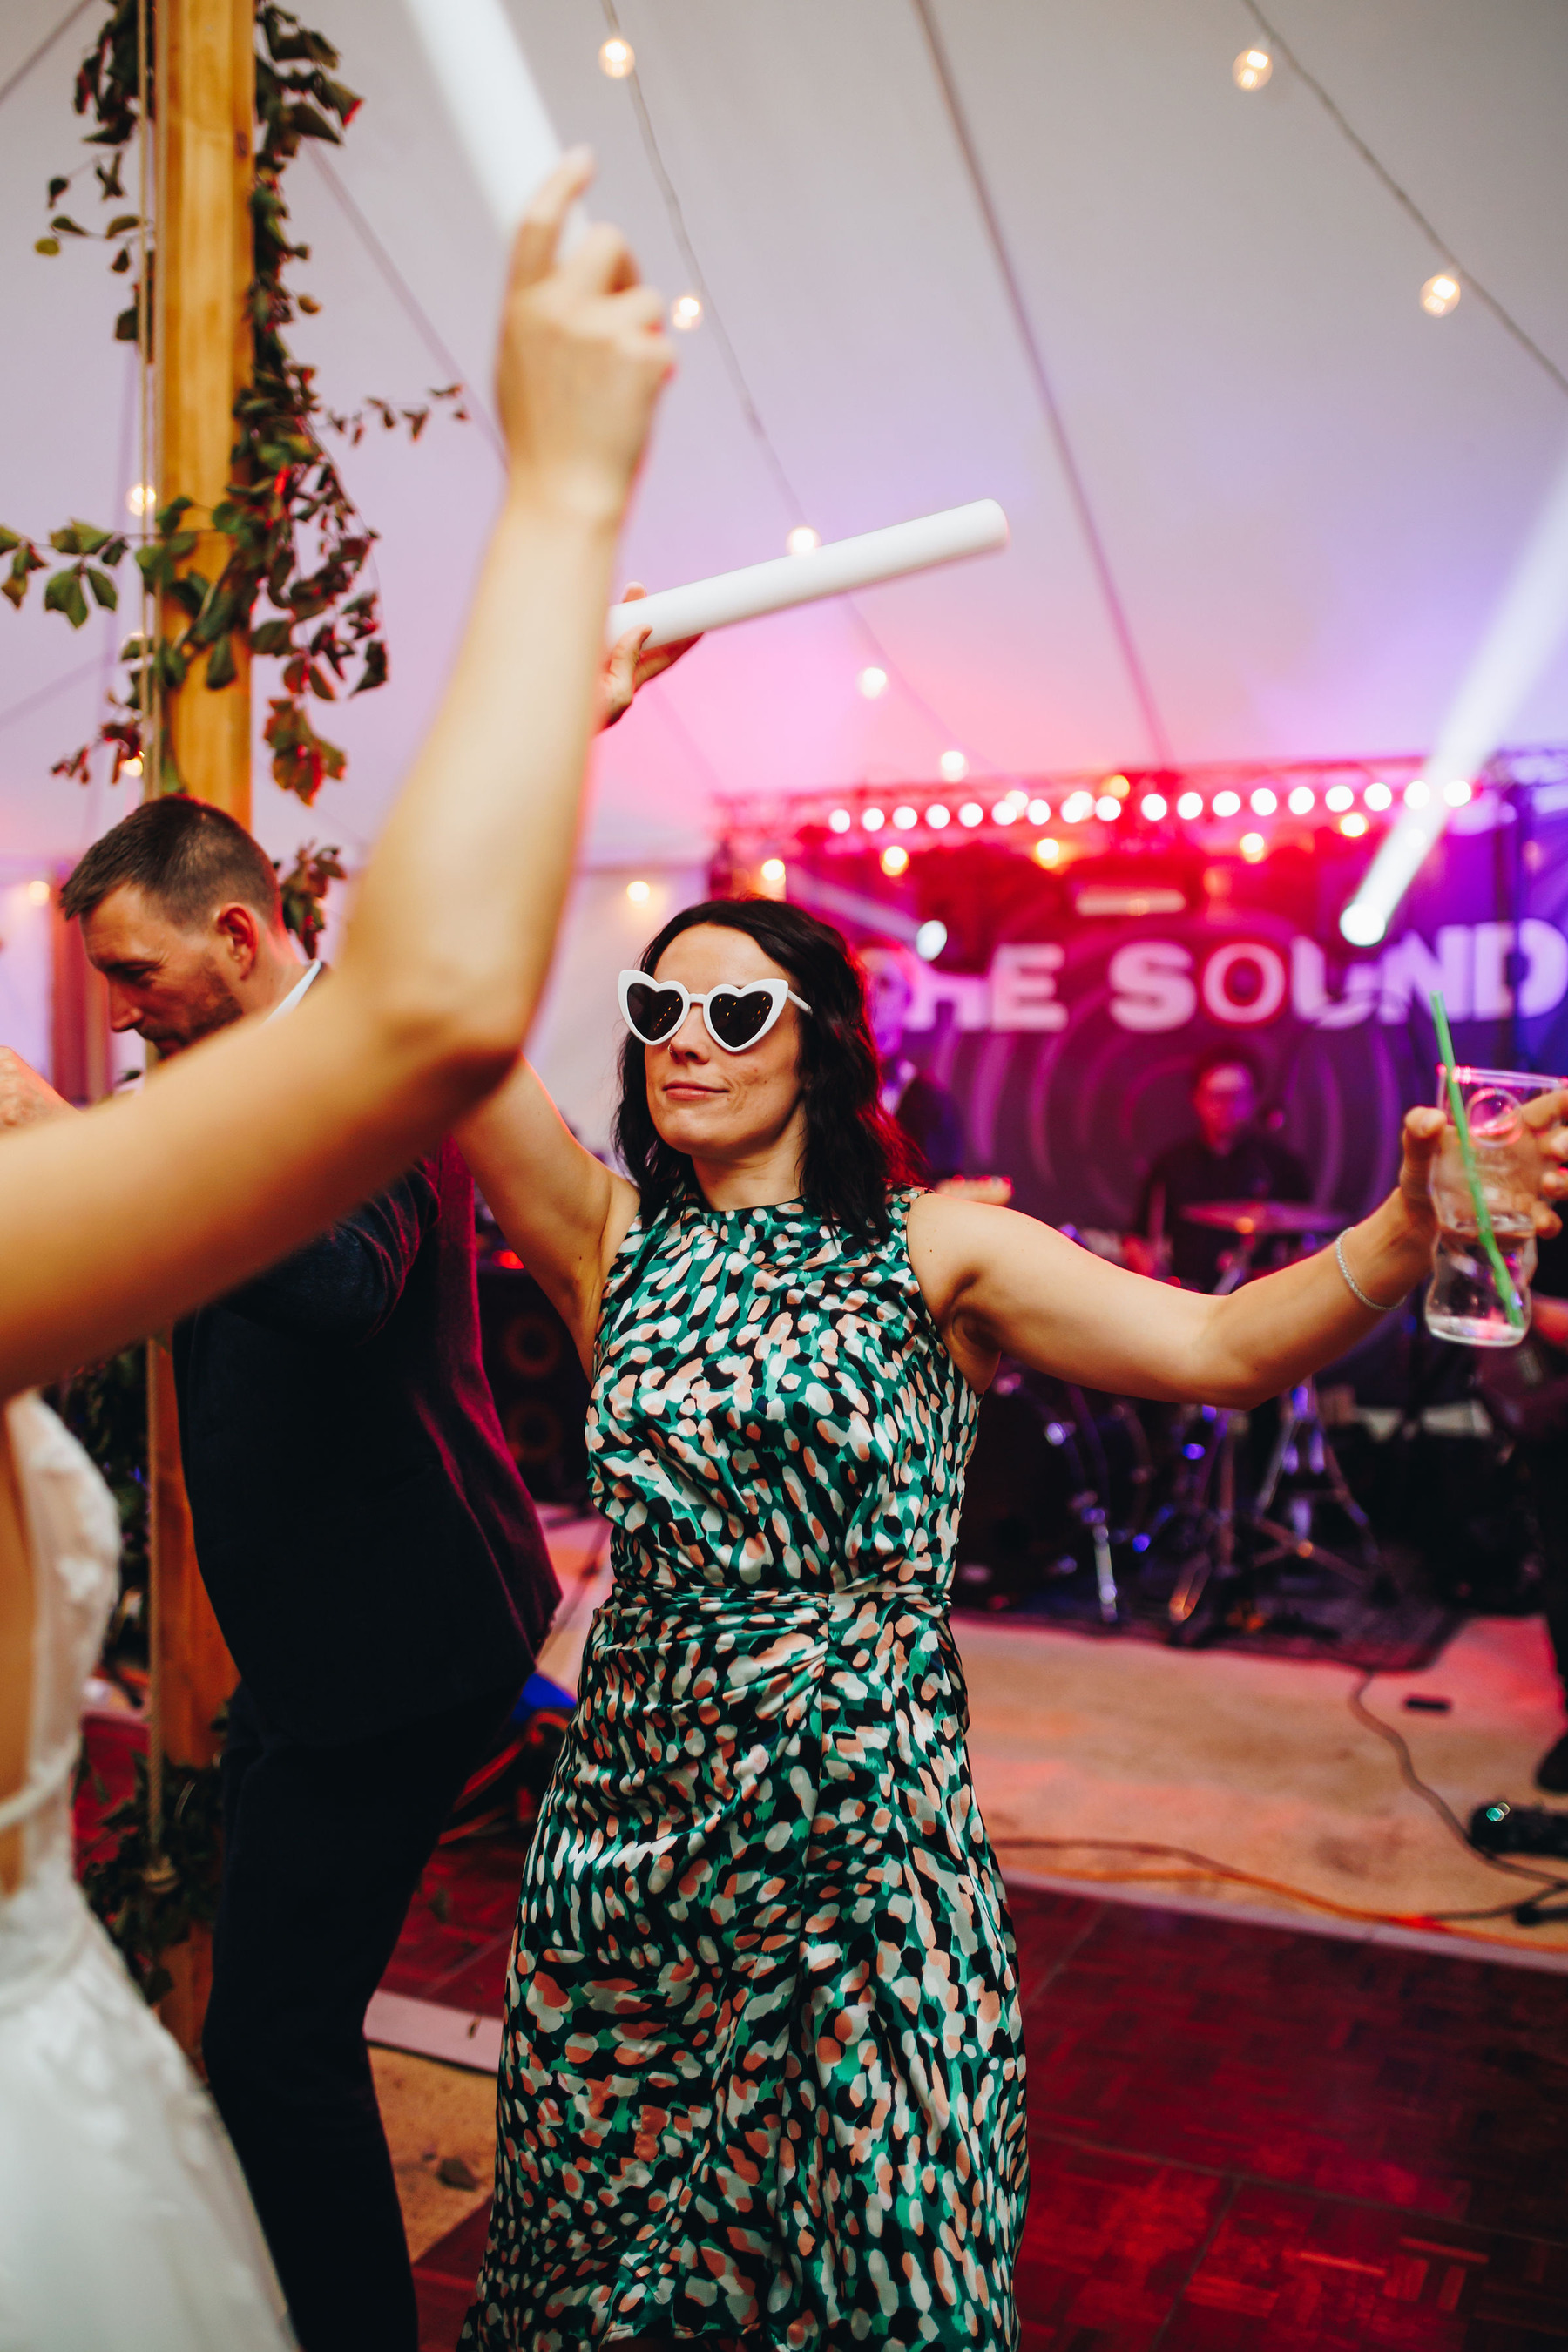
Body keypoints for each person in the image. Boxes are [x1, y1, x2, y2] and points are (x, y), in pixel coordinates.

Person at [454, 894, 1568, 2350]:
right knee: (603, 2250)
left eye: (734, 1013)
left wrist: (1408, 1226)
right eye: (657, 1009)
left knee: (883, 2250)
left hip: (858, 1836)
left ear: (819, 1044)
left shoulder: (936, 1248)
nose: (687, 1041)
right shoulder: (611, 1238)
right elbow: (441, 1027)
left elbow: (1218, 1346)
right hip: (634, 1833)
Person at [0, 152, 672, 2352]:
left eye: (138, 973)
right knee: (271, 2024)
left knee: (279, 2039)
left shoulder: (336, 1079)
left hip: (407, 1630)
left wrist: (120, 1152)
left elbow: (333, 1285)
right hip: (330, 1633)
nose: (120, 1014)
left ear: (243, 930)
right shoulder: (240, 1070)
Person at [1128, 1048, 1310, 1290]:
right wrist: (1149, 1271)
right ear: (1197, 1098)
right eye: (1217, 1096)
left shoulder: (1281, 1166)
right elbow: (1137, 1240)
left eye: (1237, 1096)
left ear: (1254, 1099)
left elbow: (1303, 1247)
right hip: (1186, 1295)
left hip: (1260, 1295)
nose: (1227, 1106)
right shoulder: (1170, 1165)